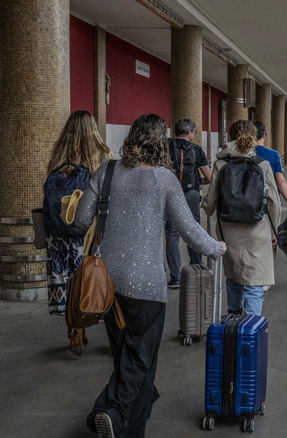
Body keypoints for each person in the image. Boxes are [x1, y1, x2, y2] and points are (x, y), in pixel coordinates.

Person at [74, 114, 225, 437]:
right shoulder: (164, 179)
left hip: (106, 284)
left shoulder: (108, 170)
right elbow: (189, 230)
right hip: (146, 286)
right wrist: (216, 248)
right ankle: (109, 411)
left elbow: (82, 218)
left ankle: (129, 426)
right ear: (161, 142)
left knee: (126, 360)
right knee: (139, 362)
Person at [45, 110, 112, 356]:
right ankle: (82, 325)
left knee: (66, 278)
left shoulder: (58, 153)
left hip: (57, 228)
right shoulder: (101, 154)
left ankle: (75, 329)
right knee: (85, 276)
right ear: (92, 129)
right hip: (87, 227)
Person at [202, 120, 281, 316]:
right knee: (254, 284)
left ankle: (233, 319)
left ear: (230, 136)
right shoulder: (262, 164)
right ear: (254, 137)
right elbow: (273, 202)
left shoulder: (220, 164)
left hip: (228, 233)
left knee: (233, 276)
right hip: (258, 232)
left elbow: (211, 202)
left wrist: (205, 206)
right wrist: (274, 231)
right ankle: (251, 330)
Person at [165, 117, 212, 289]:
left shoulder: (166, 146)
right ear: (190, 132)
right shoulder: (197, 150)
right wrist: (200, 183)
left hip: (171, 194)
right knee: (193, 230)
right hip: (191, 194)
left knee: (172, 234)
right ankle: (196, 267)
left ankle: (175, 278)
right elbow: (209, 177)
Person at [253, 120, 287, 216]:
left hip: (246, 200)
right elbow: (280, 182)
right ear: (264, 135)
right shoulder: (273, 155)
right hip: (269, 200)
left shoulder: (243, 154)